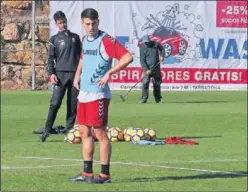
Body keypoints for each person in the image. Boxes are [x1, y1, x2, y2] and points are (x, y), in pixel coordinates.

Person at [69, 8, 133, 184]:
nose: (91, 27)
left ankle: (105, 175)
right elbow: (83, 58)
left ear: (98, 22)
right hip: (84, 93)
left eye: (94, 23)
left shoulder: (106, 40)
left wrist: (109, 73)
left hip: (98, 95)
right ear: (82, 24)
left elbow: (128, 57)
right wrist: (77, 75)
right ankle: (87, 173)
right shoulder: (85, 39)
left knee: (99, 132)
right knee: (84, 132)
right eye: (87, 24)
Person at [40, 11, 82, 142]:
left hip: (75, 75)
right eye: (60, 23)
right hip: (60, 75)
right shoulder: (54, 39)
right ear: (56, 24)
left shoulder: (76, 37)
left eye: (64, 21)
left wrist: (81, 74)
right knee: (55, 103)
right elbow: (50, 59)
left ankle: (69, 132)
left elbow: (82, 57)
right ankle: (47, 130)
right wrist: (51, 74)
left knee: (72, 105)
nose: (62, 24)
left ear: (66, 21)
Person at [139, 35, 165, 103]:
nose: (146, 43)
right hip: (147, 69)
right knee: (145, 83)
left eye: (147, 42)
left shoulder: (156, 44)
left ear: (149, 40)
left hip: (156, 68)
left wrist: (162, 56)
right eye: (145, 42)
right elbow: (142, 60)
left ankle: (158, 99)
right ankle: (144, 99)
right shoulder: (142, 48)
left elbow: (162, 49)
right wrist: (146, 69)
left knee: (157, 84)